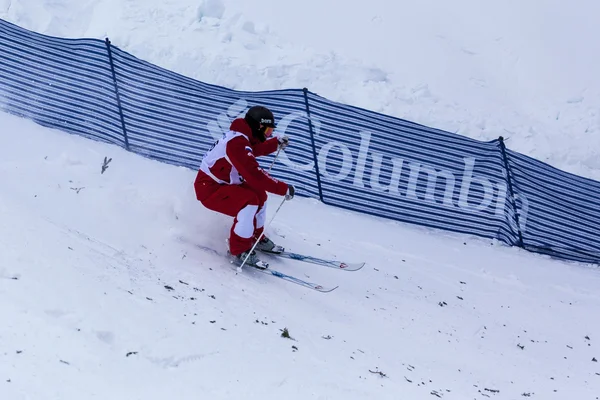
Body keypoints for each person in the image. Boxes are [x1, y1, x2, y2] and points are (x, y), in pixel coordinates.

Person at [194, 105, 295, 268]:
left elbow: (252, 150)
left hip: (223, 184)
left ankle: (254, 237)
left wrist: (273, 144)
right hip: (210, 188)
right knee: (249, 201)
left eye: (270, 132)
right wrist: (282, 188)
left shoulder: (242, 137)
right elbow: (254, 175)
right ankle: (239, 250)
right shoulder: (236, 143)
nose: (268, 135)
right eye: (267, 131)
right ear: (258, 126)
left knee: (260, 195)